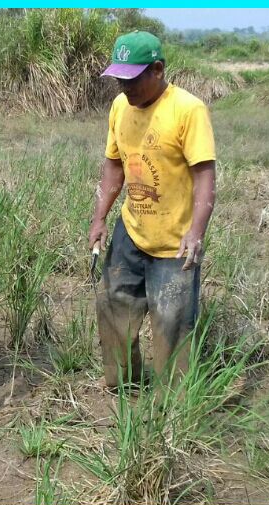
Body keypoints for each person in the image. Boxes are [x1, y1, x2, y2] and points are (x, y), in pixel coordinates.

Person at [89, 32, 217, 390]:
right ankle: (123, 384)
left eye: (131, 78)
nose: (124, 86)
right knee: (114, 307)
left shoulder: (187, 110)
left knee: (172, 323)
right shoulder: (119, 107)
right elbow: (114, 165)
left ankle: (173, 407)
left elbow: (205, 177)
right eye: (119, 78)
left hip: (175, 243)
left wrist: (196, 233)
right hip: (131, 231)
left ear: (157, 69)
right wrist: (99, 218)